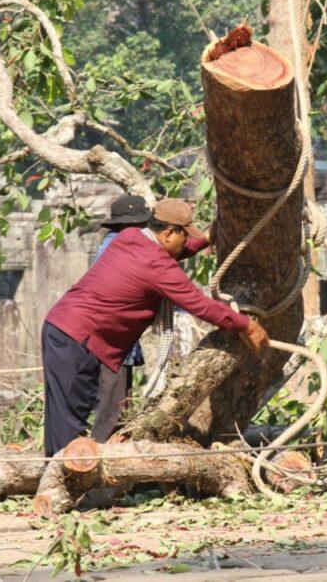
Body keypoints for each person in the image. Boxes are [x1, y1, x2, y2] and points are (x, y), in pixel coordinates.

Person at [41, 197, 269, 456]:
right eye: (184, 236)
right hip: (77, 336)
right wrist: (245, 324)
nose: (185, 242)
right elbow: (200, 305)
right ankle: (61, 482)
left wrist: (205, 239)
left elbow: (176, 251)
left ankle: (59, 474)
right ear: (169, 233)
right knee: (69, 418)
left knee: (64, 414)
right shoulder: (156, 265)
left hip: (66, 328)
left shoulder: (130, 238)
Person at [87, 194, 151, 444]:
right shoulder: (122, 246)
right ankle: (99, 463)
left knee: (120, 405)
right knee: (111, 410)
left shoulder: (116, 243)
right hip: (111, 339)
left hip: (117, 339)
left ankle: (115, 461)